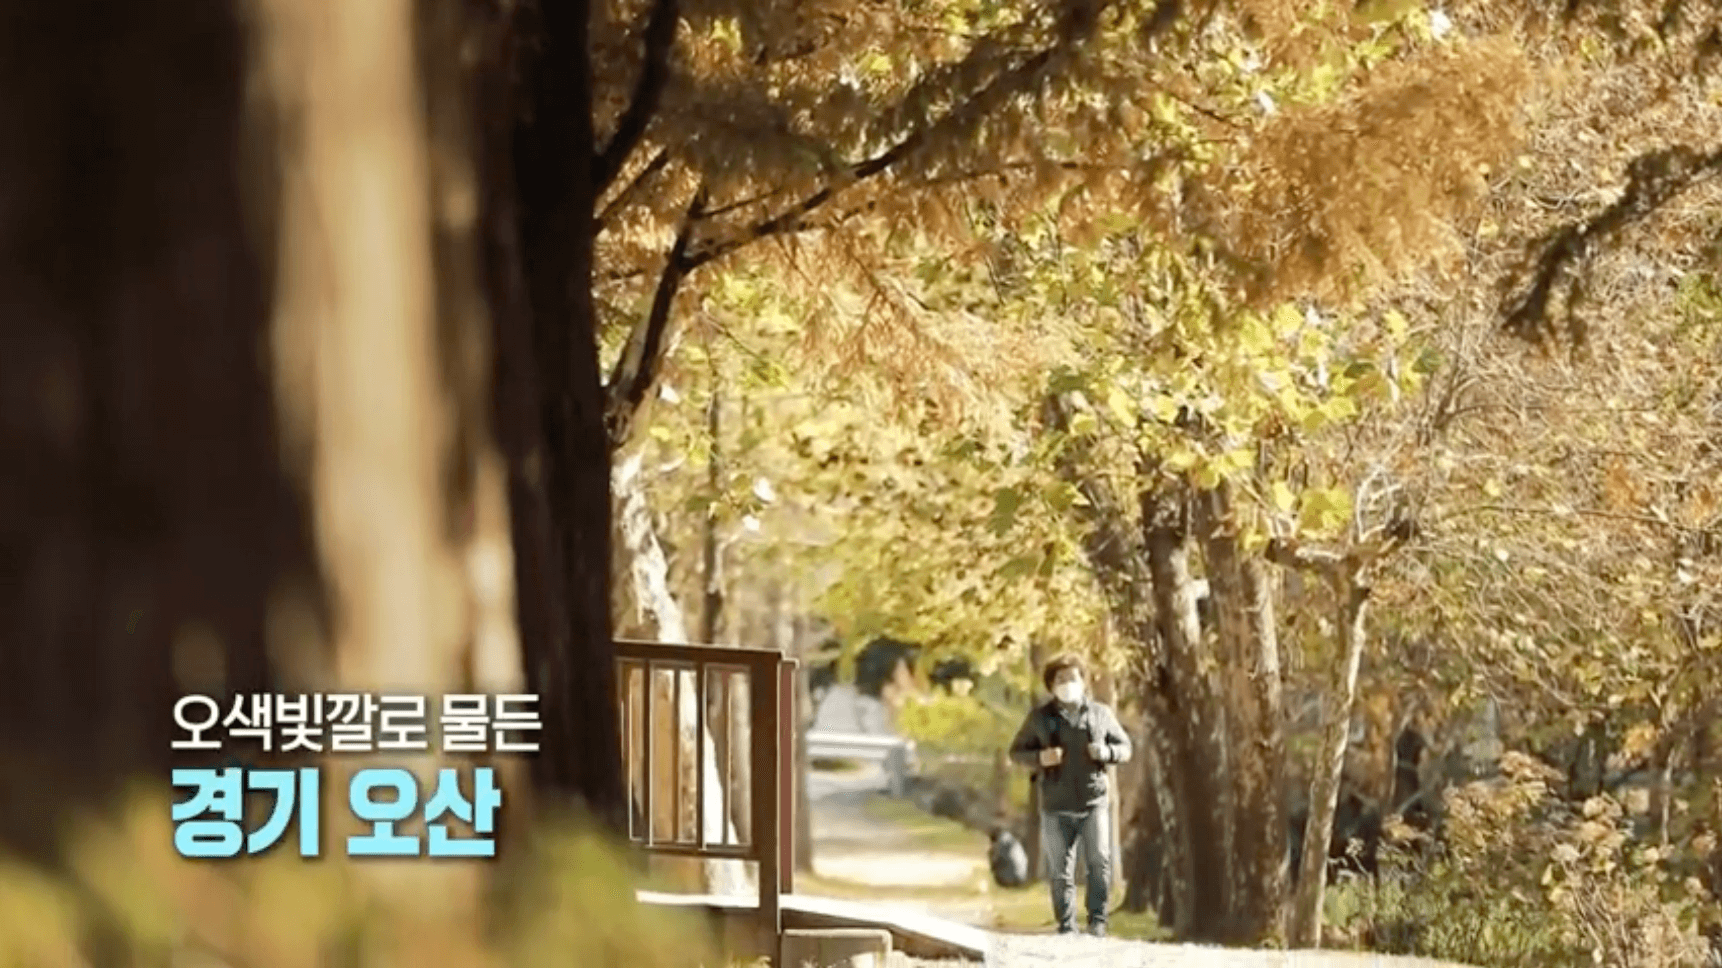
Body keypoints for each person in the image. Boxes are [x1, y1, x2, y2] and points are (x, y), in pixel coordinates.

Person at [1008, 653, 1132, 937]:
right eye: (1060, 679)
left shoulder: (1101, 714)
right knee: (1060, 870)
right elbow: (1016, 752)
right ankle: (1066, 925)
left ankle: (1097, 922)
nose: (1067, 684)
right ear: (1051, 685)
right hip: (1056, 805)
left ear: (1084, 681)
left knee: (1099, 863)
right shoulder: (1040, 718)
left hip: (1093, 802)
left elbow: (1125, 748)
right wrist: (1041, 757)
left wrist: (1107, 752)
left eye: (1073, 678)